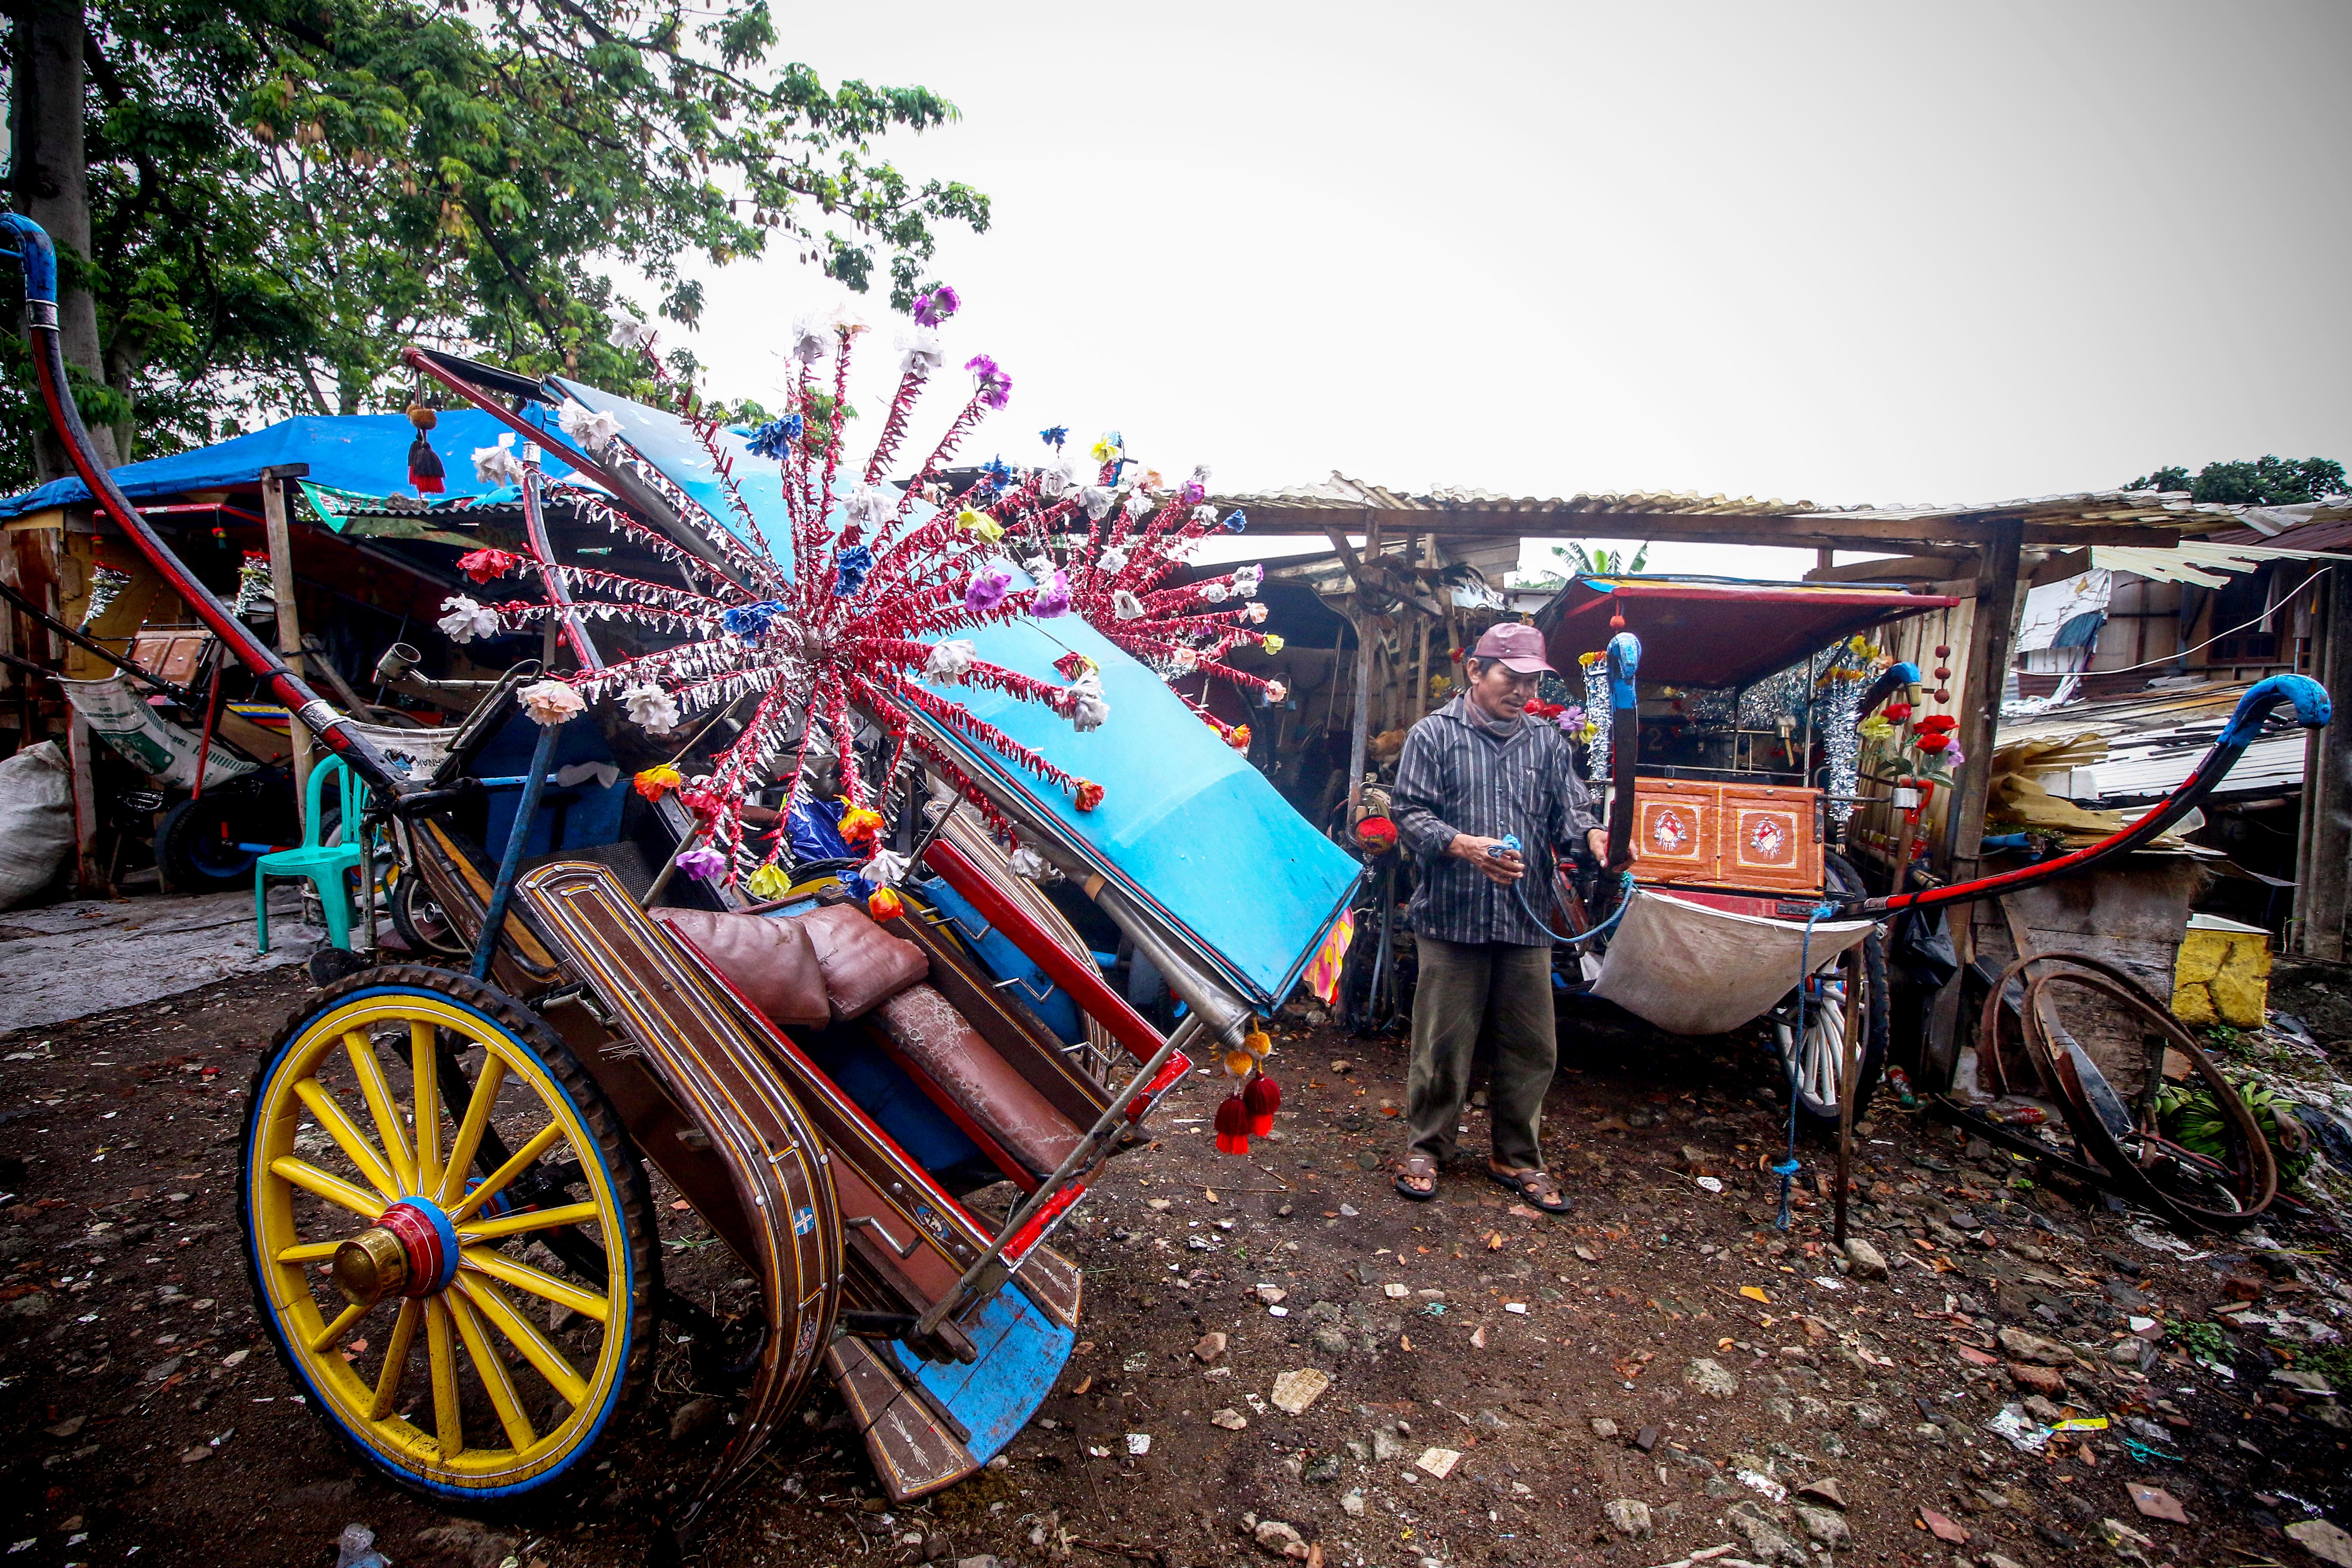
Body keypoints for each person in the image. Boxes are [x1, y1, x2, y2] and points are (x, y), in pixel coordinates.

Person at [1388, 621, 1608, 1211]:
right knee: (1442, 1043)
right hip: (1452, 916)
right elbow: (1408, 812)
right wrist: (1464, 845)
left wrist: (1593, 837)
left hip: (1524, 918)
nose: (1522, 689)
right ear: (1476, 671)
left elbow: (1572, 812)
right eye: (1512, 677)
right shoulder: (1433, 736)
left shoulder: (1547, 742)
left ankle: (1516, 1157)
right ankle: (1427, 1148)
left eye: (1531, 680)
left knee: (1532, 1045)